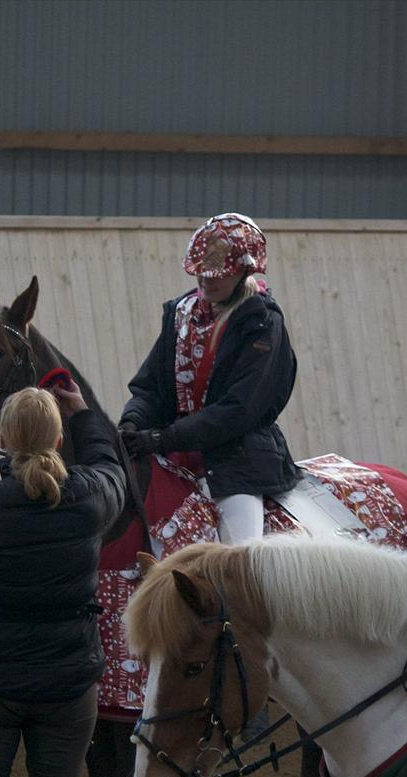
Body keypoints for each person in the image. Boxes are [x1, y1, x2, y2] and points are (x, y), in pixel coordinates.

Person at [0, 384, 128, 777]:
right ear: (59, 440)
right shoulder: (89, 499)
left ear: (4, 441)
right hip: (68, 681)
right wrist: (84, 416)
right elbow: (112, 470)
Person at [119, 212, 300, 547]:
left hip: (236, 462)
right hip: (171, 453)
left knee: (238, 559)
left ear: (246, 270)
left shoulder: (262, 323)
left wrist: (161, 438)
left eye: (217, 274)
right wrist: (131, 424)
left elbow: (239, 408)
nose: (205, 279)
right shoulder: (180, 314)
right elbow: (150, 387)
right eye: (200, 271)